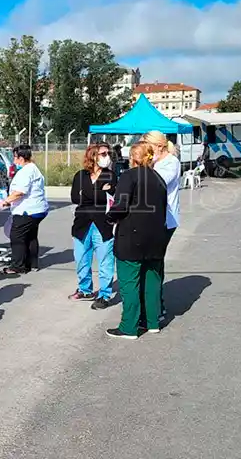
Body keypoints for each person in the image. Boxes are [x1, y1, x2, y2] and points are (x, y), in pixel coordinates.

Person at [105, 142, 168, 340]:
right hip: (156, 236)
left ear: (133, 158)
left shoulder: (129, 176)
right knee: (151, 279)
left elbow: (120, 205)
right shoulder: (159, 178)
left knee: (129, 281)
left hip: (132, 236)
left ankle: (129, 327)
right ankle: (151, 322)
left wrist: (109, 216)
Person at [69, 143, 116, 309]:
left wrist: (88, 195)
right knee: (81, 258)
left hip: (103, 223)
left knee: (105, 260)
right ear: (93, 156)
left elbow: (110, 197)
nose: (107, 156)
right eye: (103, 154)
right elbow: (75, 197)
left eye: (108, 153)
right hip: (82, 223)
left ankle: (104, 294)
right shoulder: (80, 176)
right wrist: (99, 193)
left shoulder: (110, 175)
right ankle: (85, 289)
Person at [142, 131, 181, 321]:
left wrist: (144, 167)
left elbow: (155, 184)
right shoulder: (157, 162)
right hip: (152, 219)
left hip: (164, 220)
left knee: (153, 264)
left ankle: (156, 308)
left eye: (146, 146)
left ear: (158, 146)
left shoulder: (170, 163)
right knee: (150, 263)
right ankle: (155, 304)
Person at [0, 144, 49, 274]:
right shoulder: (34, 169)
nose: (14, 161)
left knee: (17, 236)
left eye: (15, 158)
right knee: (31, 236)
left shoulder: (26, 171)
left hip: (27, 210)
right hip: (37, 209)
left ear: (21, 158)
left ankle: (18, 266)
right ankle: (32, 263)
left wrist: (6, 201)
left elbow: (20, 192)